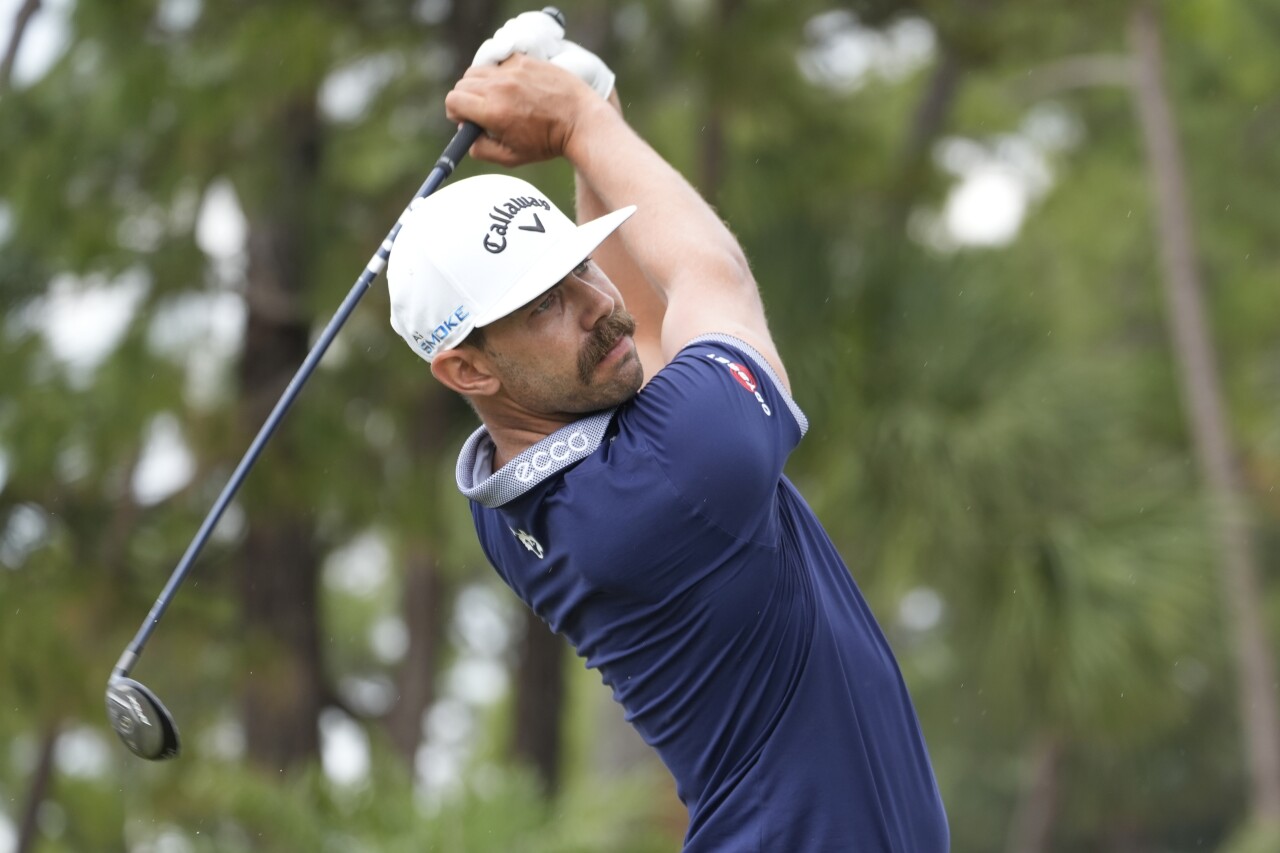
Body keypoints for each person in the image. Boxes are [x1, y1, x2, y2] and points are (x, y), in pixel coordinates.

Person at [386, 13, 949, 852]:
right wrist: (581, 124)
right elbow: (707, 277)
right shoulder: (670, 483)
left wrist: (595, 110)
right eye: (544, 304)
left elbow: (638, 337)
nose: (596, 301)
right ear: (468, 370)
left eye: (579, 265)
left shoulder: (523, 485)